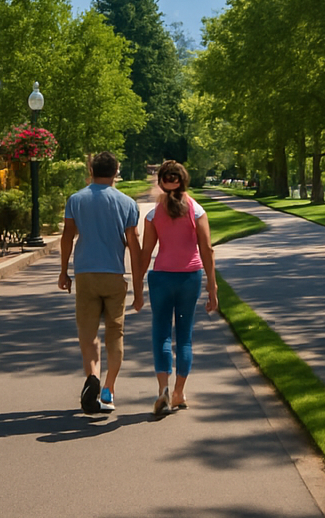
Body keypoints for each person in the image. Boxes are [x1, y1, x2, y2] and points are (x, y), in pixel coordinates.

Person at [132, 161, 218, 416]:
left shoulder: (153, 214)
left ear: (161, 182)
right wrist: (212, 288)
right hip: (189, 278)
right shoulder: (197, 211)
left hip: (161, 278)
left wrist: (137, 289)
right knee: (184, 336)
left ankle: (163, 390)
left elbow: (146, 253)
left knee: (161, 334)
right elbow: (207, 251)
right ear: (184, 180)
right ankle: (179, 392)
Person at [58, 151, 141, 414]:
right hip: (114, 274)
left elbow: (67, 237)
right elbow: (134, 246)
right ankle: (108, 389)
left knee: (88, 333)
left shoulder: (76, 200)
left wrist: (63, 271)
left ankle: (92, 376)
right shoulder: (127, 203)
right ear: (117, 172)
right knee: (115, 335)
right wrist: (138, 286)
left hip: (85, 274)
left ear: (91, 171)